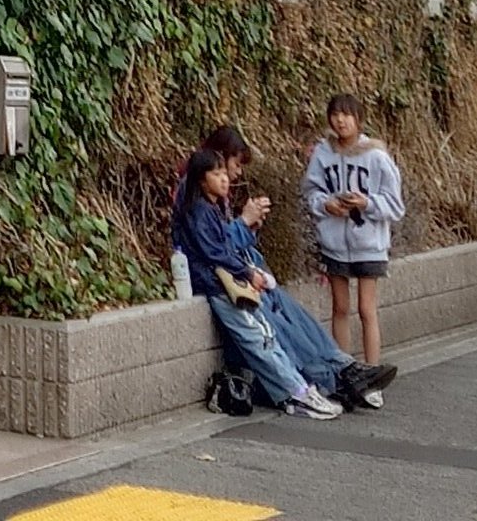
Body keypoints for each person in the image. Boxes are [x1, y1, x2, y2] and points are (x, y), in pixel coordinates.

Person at [173, 126, 387, 416]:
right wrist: (244, 226)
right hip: (223, 282)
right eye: (231, 166)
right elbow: (213, 248)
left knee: (293, 317)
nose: (233, 175)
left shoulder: (211, 197)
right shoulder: (195, 199)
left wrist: (248, 229)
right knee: (273, 330)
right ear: (211, 167)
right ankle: (322, 382)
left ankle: (341, 370)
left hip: (237, 273)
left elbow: (221, 243)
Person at [305, 93, 406, 369]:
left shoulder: (376, 155)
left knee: (366, 309)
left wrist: (367, 203)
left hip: (369, 243)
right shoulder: (323, 153)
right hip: (334, 243)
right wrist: (326, 204)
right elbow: (311, 191)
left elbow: (395, 204)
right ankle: (345, 370)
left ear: (359, 119)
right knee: (339, 307)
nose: (340, 120)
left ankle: (372, 372)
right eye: (335, 115)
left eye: (347, 114)